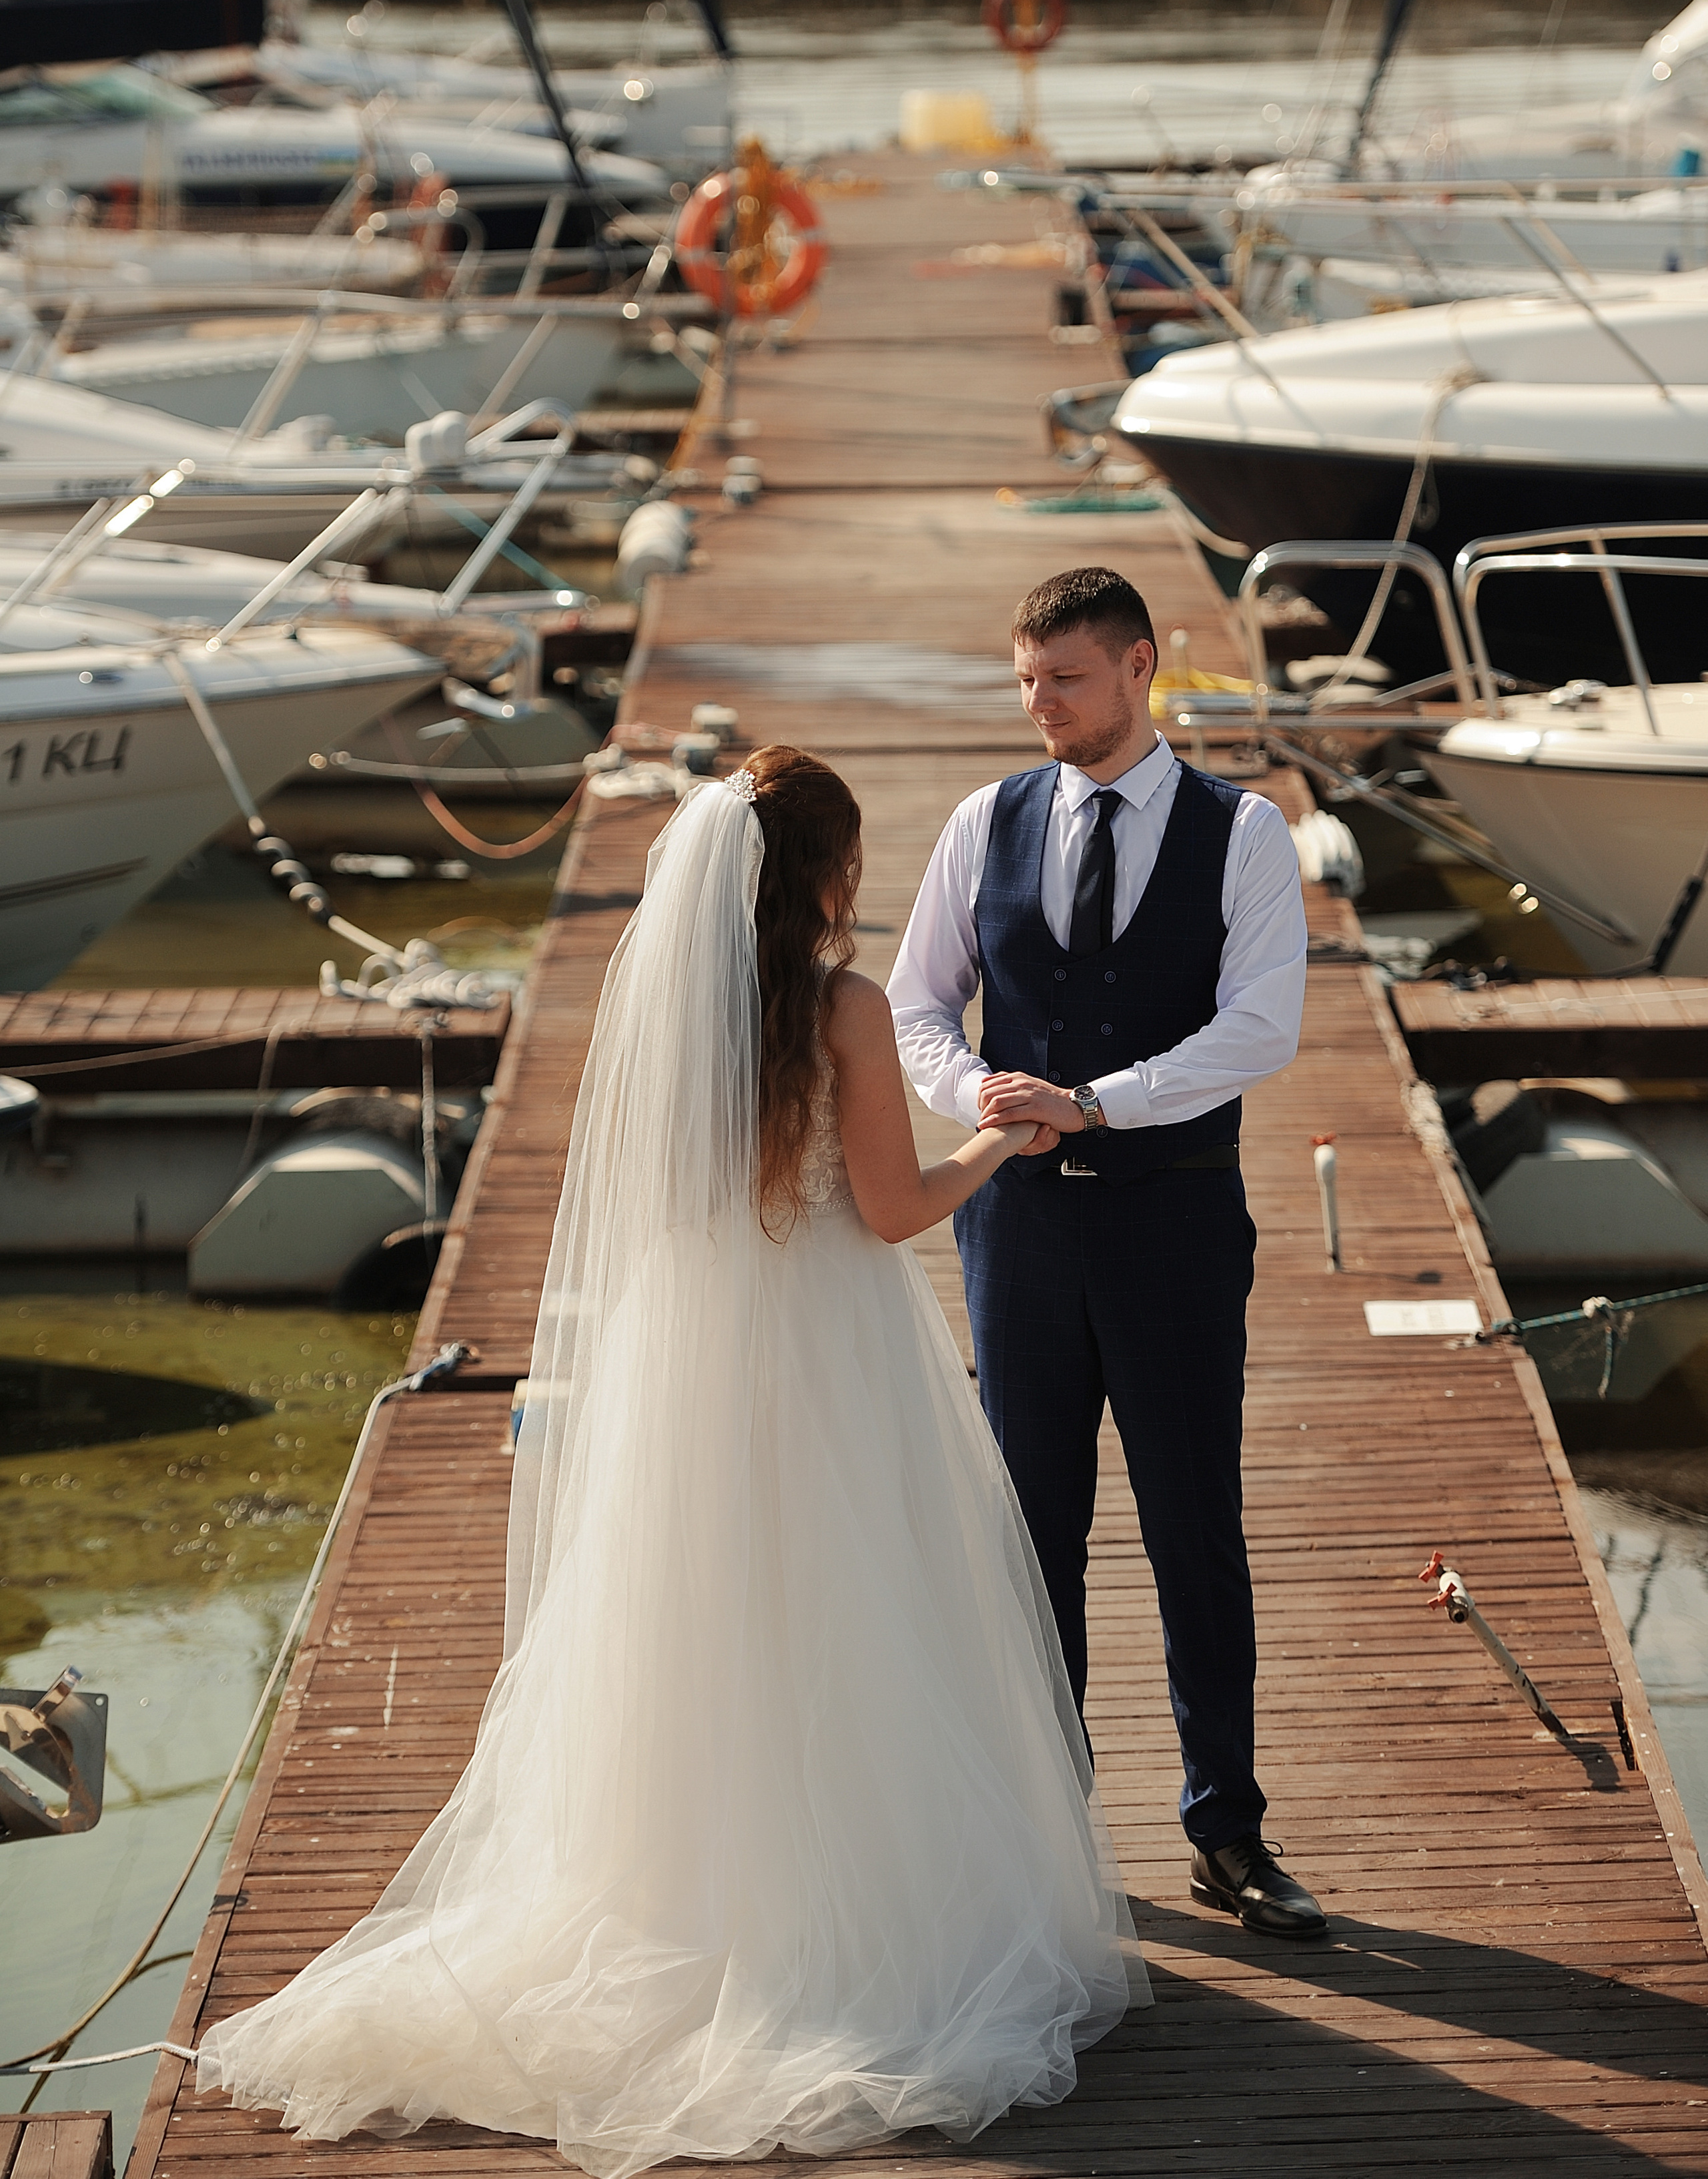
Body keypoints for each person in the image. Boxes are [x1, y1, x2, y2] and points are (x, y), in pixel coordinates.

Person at [197, 745, 1144, 2179]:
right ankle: (839, 1928)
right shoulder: (843, 1008)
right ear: (824, 876)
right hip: (829, 1342)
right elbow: (889, 1210)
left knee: (692, 1624)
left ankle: (687, 1902)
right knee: (847, 1611)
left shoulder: (661, 1006)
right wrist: (1002, 1137)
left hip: (689, 1348)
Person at [887, 567, 1326, 1942]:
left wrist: (1096, 1101)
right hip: (1016, 1231)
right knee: (1031, 1536)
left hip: (1174, 1219)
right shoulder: (984, 820)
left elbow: (1260, 1028)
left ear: (1139, 666)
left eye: (1063, 680)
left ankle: (1225, 1832)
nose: (1040, 707)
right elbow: (913, 1005)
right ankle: (1043, 1838)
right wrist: (977, 1097)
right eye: (1025, 682)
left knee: (1194, 1527)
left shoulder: (1243, 832)